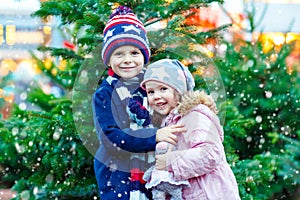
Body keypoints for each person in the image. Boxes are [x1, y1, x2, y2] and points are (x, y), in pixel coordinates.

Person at [92, 6, 186, 200]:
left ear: (144, 56)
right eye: (119, 54)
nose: (127, 60)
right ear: (109, 60)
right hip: (117, 175)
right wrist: (154, 136)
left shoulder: (155, 85)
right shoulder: (105, 94)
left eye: (134, 53)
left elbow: (175, 107)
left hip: (154, 169)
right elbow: (112, 138)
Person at [132, 58, 241, 199]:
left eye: (163, 89)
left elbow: (210, 154)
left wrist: (170, 161)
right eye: (151, 92)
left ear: (179, 90)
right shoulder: (169, 122)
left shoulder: (194, 115)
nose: (156, 96)